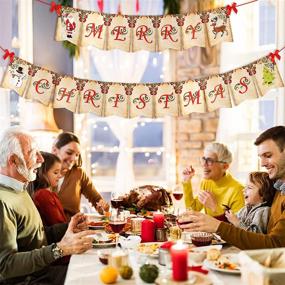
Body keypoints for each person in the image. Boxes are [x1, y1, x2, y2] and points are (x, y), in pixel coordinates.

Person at [0, 127, 95, 284]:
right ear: (13, 160)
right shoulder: (3, 201)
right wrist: (60, 249)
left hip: (44, 272)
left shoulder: (20, 188)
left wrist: (68, 227)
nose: (41, 159)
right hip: (31, 280)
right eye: (33, 153)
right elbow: (5, 266)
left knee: (96, 268)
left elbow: (35, 238)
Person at [179, 126, 285, 249]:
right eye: (261, 157)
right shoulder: (279, 190)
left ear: (225, 166)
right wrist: (186, 183)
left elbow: (273, 244)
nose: (262, 163)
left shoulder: (240, 190)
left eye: (268, 155)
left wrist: (217, 223)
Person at [52, 132, 109, 220]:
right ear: (55, 150)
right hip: (46, 231)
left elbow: (97, 200)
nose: (74, 158)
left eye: (77, 155)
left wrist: (103, 207)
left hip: (74, 230)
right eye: (69, 153)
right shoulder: (41, 172)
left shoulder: (78, 174)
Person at [182, 142, 244, 220]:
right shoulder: (206, 182)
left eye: (209, 161)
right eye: (204, 159)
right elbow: (192, 210)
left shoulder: (238, 190)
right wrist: (186, 182)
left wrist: (214, 208)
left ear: (225, 166)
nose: (204, 164)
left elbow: (237, 229)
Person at [32, 152, 67, 226]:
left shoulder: (48, 194)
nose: (60, 176)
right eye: (56, 172)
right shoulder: (43, 195)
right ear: (43, 173)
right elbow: (58, 224)